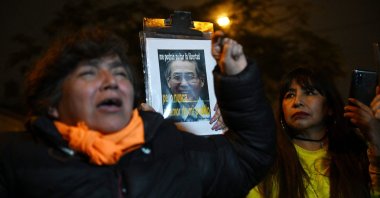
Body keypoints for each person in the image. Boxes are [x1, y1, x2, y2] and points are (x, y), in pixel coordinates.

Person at [0, 28, 276, 197]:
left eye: (120, 73)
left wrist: (239, 79)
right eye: (89, 73)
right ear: (52, 102)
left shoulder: (172, 149)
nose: (111, 81)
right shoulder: (13, 160)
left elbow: (251, 155)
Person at [247, 67, 380, 198]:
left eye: (310, 92)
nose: (297, 102)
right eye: (290, 95)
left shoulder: (356, 156)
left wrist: (375, 136)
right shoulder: (267, 161)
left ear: (330, 107)